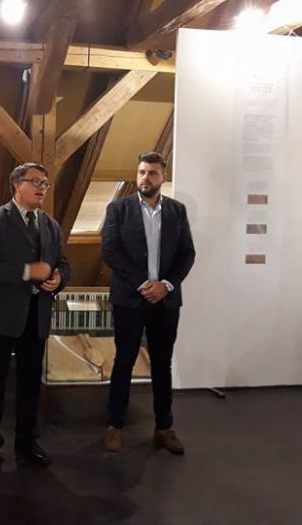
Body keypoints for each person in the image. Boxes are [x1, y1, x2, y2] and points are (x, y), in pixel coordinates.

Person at [0, 162, 71, 472]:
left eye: (45, 183)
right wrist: (28, 271)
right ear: (17, 184)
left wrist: (59, 279)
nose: (42, 187)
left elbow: (63, 263)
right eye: (35, 181)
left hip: (36, 314)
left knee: (30, 384)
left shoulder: (51, 225)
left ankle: (27, 443)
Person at [101, 151, 195, 454]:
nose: (146, 178)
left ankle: (164, 428)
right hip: (130, 298)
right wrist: (143, 284)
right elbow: (111, 251)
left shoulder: (177, 211)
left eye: (152, 173)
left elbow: (187, 253)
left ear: (162, 177)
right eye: (142, 172)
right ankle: (115, 425)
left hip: (165, 301)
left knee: (162, 363)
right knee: (124, 361)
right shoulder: (118, 208)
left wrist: (165, 286)